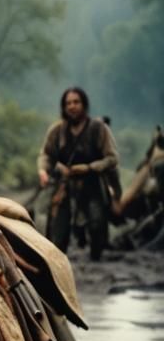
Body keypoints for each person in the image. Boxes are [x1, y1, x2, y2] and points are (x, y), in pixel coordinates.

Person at [37, 87, 119, 261]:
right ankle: (59, 264)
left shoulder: (98, 129)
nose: (72, 106)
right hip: (65, 185)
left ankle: (96, 259)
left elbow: (112, 158)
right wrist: (43, 170)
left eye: (76, 102)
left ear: (84, 104)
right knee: (58, 230)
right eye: (68, 103)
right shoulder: (57, 130)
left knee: (97, 224)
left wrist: (89, 167)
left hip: (93, 183)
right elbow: (46, 154)